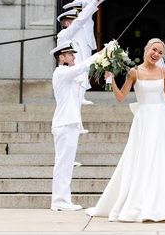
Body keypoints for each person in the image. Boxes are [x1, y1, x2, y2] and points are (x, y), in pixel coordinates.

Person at [85, 38, 165, 222]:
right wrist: (110, 81)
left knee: (160, 159)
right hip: (143, 120)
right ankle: (139, 202)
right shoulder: (134, 72)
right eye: (154, 50)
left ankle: (163, 203)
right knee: (142, 158)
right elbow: (120, 97)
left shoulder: (164, 72)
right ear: (147, 48)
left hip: (161, 120)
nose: (156, 54)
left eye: (160, 52)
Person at [49, 40, 100, 211]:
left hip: (69, 123)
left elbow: (81, 76)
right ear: (61, 57)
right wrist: (102, 53)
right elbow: (81, 68)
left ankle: (63, 200)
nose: (73, 56)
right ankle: (59, 201)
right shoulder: (61, 71)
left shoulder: (67, 73)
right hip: (65, 123)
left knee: (66, 163)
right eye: (70, 54)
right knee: (63, 163)